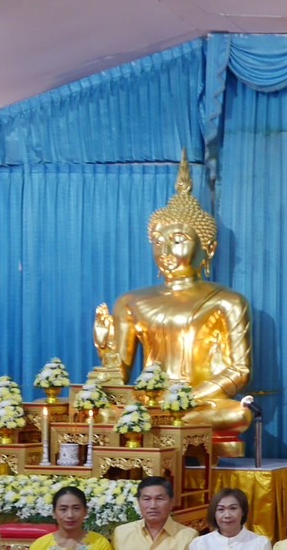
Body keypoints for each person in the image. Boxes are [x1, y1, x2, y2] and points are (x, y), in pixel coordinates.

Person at [108, 154, 252, 440]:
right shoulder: (130, 301)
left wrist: (187, 399)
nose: (165, 254)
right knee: (99, 412)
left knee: (238, 413)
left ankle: (164, 423)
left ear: (208, 249)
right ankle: (153, 422)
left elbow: (239, 370)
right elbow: (118, 373)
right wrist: (106, 354)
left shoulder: (227, 301)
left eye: (177, 242)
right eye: (158, 243)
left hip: (197, 403)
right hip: (146, 404)